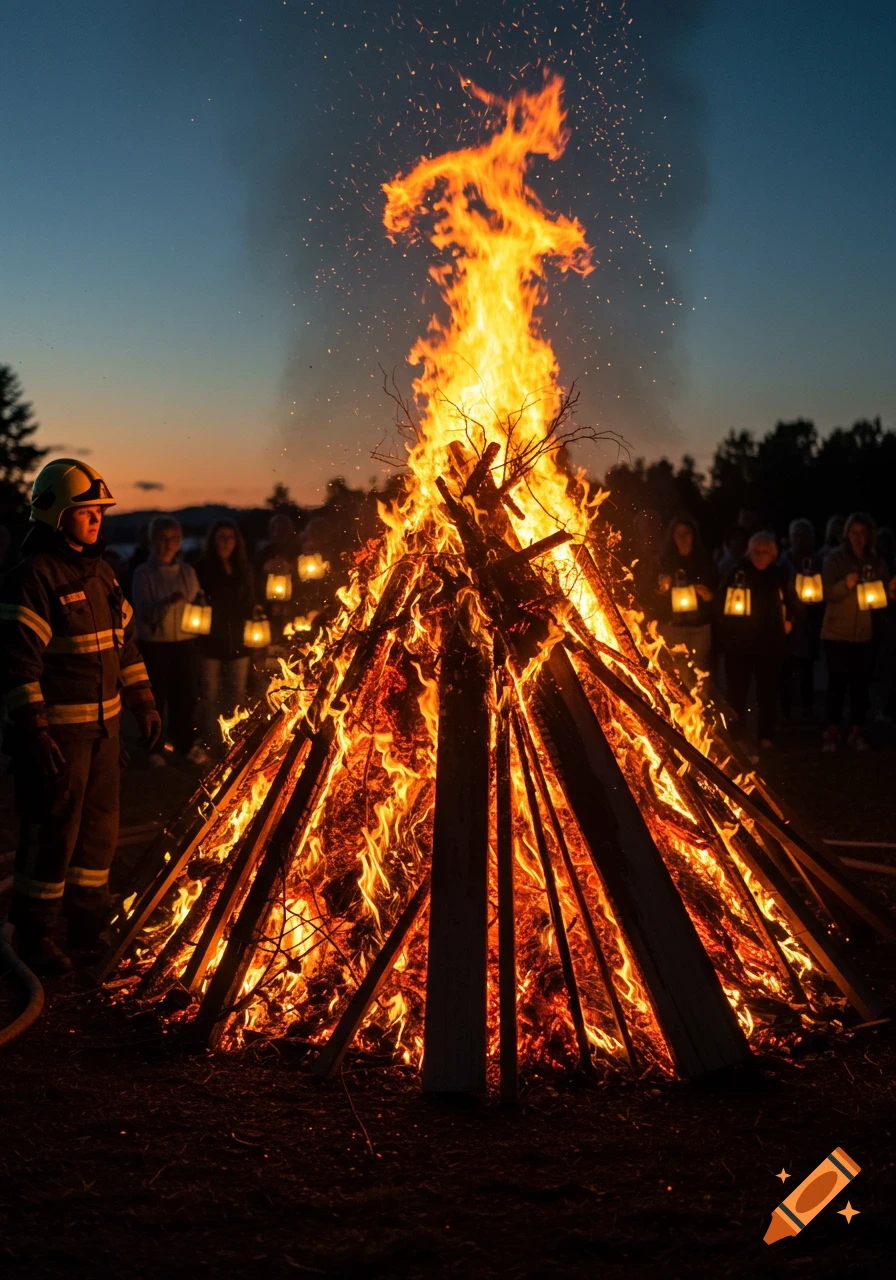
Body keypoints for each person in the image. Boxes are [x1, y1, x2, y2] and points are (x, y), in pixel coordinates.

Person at [0, 459, 161, 974]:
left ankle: (88, 923)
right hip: (59, 736)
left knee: (98, 830)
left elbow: (126, 647)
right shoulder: (32, 580)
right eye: (84, 510)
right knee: (53, 831)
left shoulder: (103, 575)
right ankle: (36, 934)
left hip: (104, 732)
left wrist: (144, 701)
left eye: (98, 510)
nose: (96, 519)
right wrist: (35, 730)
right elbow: (16, 666)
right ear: (53, 515)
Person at [131, 516, 206, 766]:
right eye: (163, 538)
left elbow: (196, 600)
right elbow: (143, 612)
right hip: (155, 644)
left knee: (184, 695)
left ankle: (184, 743)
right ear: (153, 540)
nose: (169, 543)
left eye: (174, 538)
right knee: (156, 697)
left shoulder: (188, 571)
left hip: (185, 642)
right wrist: (168, 603)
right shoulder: (143, 573)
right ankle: (154, 747)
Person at [820, 512, 896, 751]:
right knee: (837, 683)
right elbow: (827, 592)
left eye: (863, 533)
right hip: (836, 632)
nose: (859, 537)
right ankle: (831, 731)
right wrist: (847, 584)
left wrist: (890, 592)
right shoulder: (834, 559)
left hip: (864, 633)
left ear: (869, 536)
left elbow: (882, 596)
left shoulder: (876, 561)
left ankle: (857, 730)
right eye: (855, 532)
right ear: (846, 534)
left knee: (860, 684)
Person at [718, 531, 793, 750]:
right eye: (756, 551)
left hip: (769, 643)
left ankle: (765, 734)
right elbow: (722, 601)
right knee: (737, 693)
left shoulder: (779, 575)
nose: (761, 556)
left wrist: (790, 621)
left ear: (773, 554)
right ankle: (736, 734)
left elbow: (791, 601)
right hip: (739, 644)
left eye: (766, 552)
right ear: (749, 553)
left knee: (767, 692)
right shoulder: (736, 573)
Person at [195, 521, 255, 747]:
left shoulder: (243, 567)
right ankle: (211, 738)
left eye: (230, 537)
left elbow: (250, 598)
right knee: (210, 693)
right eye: (221, 536)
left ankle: (237, 740)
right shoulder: (202, 567)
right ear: (213, 540)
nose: (226, 542)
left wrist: (255, 611)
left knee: (238, 691)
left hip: (238, 637)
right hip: (211, 639)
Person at [655, 513, 716, 674]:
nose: (682, 538)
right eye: (678, 533)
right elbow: (654, 595)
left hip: (699, 628)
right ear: (672, 536)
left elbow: (718, 594)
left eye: (686, 533)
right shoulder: (664, 562)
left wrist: (708, 595)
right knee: (677, 673)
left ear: (694, 535)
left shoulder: (705, 562)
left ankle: (702, 700)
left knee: (700, 673)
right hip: (672, 627)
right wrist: (663, 588)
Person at [778, 518, 823, 719]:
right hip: (789, 622)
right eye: (795, 534)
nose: (799, 539)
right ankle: (785, 710)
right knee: (786, 667)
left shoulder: (818, 561)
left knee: (807, 668)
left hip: (810, 622)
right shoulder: (783, 562)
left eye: (803, 535)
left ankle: (807, 708)